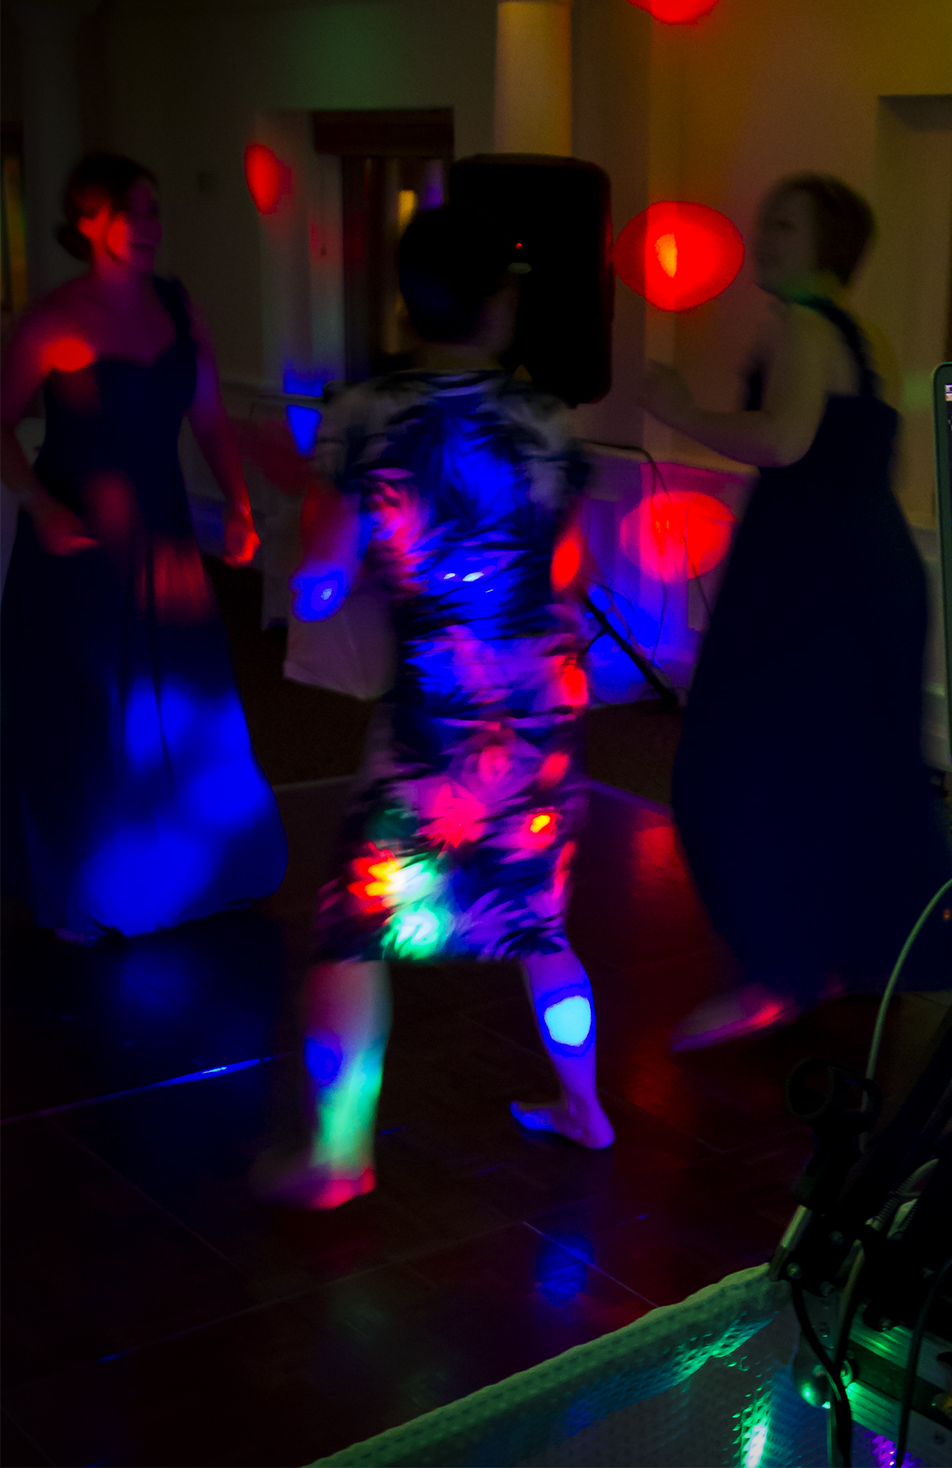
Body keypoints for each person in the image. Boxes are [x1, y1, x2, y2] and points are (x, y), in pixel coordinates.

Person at [257, 205, 610, 1210]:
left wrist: (313, 516)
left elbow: (321, 586)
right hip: (540, 700)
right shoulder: (548, 416)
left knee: (353, 922)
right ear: (495, 303)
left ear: (412, 300)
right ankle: (585, 1106)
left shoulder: (367, 413)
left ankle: (339, 1153)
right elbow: (570, 574)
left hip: (438, 710)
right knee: (538, 918)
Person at [638, 173, 952, 1051]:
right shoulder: (864, 335)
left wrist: (681, 409)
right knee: (846, 769)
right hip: (871, 566)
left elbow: (784, 441)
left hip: (808, 571)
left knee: (728, 767)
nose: (763, 233)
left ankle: (775, 973)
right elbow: (874, 457)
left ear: (828, 243)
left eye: (785, 223)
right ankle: (836, 957)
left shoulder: (805, 328)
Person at [0, 152, 285, 940]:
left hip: (162, 534)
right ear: (89, 220)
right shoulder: (53, 319)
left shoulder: (177, 303)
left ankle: (197, 862)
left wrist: (238, 504)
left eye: (155, 209)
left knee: (183, 696)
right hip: (80, 542)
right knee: (94, 706)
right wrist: (40, 505)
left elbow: (209, 415)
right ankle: (94, 872)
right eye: (133, 210)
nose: (151, 226)